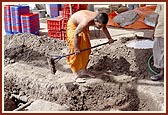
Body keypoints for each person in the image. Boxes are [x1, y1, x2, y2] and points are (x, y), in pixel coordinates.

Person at [66, 10, 114, 82]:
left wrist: (110, 38)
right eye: (99, 26)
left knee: (86, 48)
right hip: (74, 27)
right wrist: (76, 48)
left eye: (102, 26)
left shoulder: (100, 18)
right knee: (75, 50)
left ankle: (84, 70)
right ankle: (75, 74)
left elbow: (104, 28)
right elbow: (75, 33)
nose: (100, 28)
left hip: (82, 26)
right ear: (95, 21)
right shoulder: (86, 21)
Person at [150, 4, 164, 81]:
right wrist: (154, 30)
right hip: (160, 30)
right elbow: (158, 16)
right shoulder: (161, 3)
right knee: (159, 53)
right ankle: (162, 72)